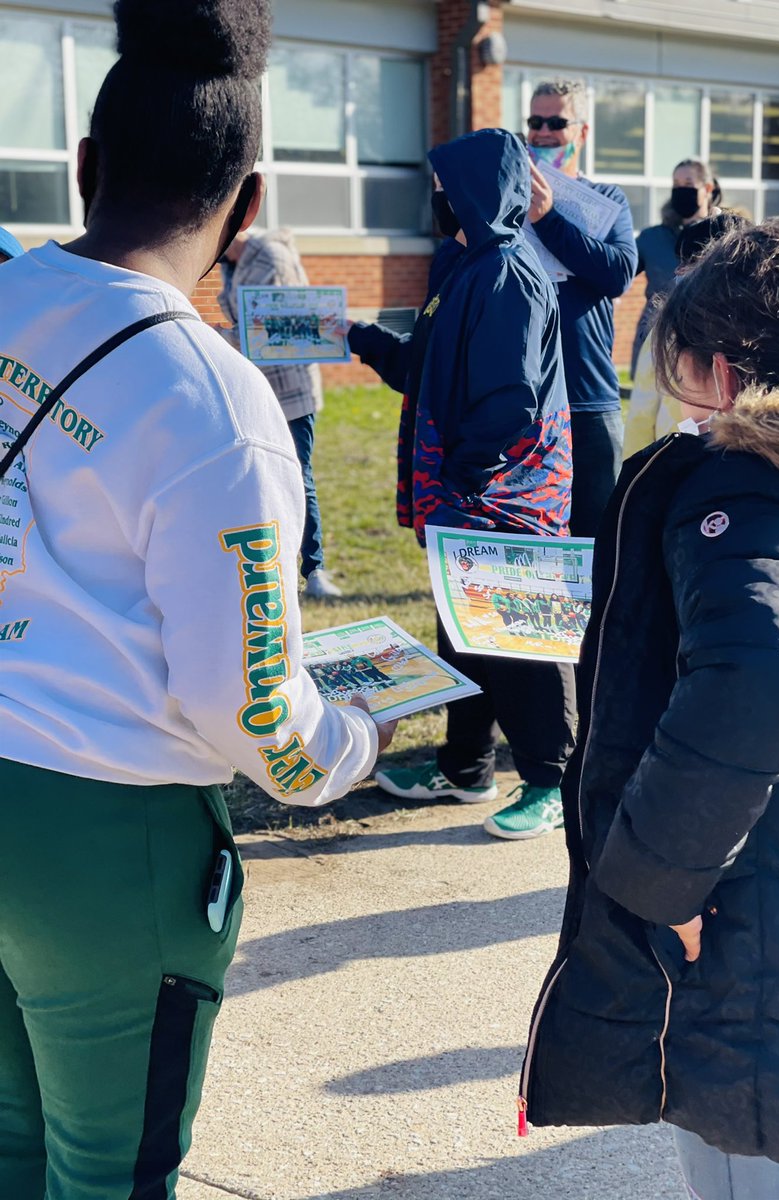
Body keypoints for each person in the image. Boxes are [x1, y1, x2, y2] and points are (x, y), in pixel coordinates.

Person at [0, 2, 395, 1196]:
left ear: (84, 165)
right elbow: (253, 706)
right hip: (108, 836)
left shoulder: (11, 296)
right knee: (113, 1169)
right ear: (250, 202)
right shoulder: (217, 406)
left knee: (13, 1145)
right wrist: (349, 746)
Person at [519, 218, 779, 1199]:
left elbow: (765, 680)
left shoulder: (745, 483)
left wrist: (656, 886)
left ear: (723, 371)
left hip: (759, 947)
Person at [346, 128, 577, 841]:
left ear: (478, 192)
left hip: (504, 497)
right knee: (465, 633)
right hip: (465, 497)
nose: (438, 200)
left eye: (445, 189)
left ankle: (551, 779)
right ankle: (466, 764)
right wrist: (356, 336)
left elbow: (511, 401)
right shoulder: (468, 266)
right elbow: (426, 366)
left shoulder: (508, 272)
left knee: (517, 638)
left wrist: (464, 479)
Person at [526, 80, 638, 536]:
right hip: (526, 401)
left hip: (589, 399)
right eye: (535, 122)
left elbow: (618, 273)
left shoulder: (608, 200)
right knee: (535, 547)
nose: (544, 132)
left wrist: (548, 220)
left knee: (599, 544)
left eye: (556, 122)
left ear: (582, 131)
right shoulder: (509, 201)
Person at [218, 228, 342, 598]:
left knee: (298, 476)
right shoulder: (232, 263)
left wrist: (215, 336)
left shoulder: (270, 258)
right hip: (256, 385)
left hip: (289, 387)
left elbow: (275, 328)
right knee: (259, 477)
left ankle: (314, 570)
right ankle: (275, 566)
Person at [623, 212, 747, 458]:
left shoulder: (758, 331)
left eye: (691, 261)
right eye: (679, 261)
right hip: (673, 462)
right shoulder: (666, 329)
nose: (679, 270)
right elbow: (642, 414)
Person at [630, 158, 721, 379]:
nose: (681, 190)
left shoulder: (724, 236)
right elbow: (618, 272)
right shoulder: (652, 238)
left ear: (707, 188)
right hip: (656, 334)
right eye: (676, 184)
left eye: (688, 183)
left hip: (706, 337)